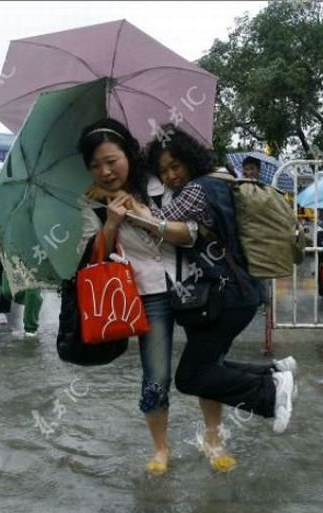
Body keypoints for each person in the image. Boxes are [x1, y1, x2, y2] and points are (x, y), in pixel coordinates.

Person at [140, 127, 298, 470]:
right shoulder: (224, 179)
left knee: (189, 377)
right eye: (163, 171)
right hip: (242, 291)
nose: (170, 176)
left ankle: (270, 390)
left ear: (190, 159)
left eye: (175, 165)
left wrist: (127, 209)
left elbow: (155, 224)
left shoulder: (198, 189)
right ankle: (272, 371)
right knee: (209, 365)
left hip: (224, 296)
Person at [76, 118, 199, 476]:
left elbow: (190, 233)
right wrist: (112, 223)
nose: (105, 171)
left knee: (208, 362)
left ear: (127, 153)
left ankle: (213, 435)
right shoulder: (91, 203)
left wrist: (142, 216)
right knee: (156, 374)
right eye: (96, 165)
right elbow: (91, 253)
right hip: (147, 294)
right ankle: (161, 448)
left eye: (111, 160)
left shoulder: (161, 181)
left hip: (192, 284)